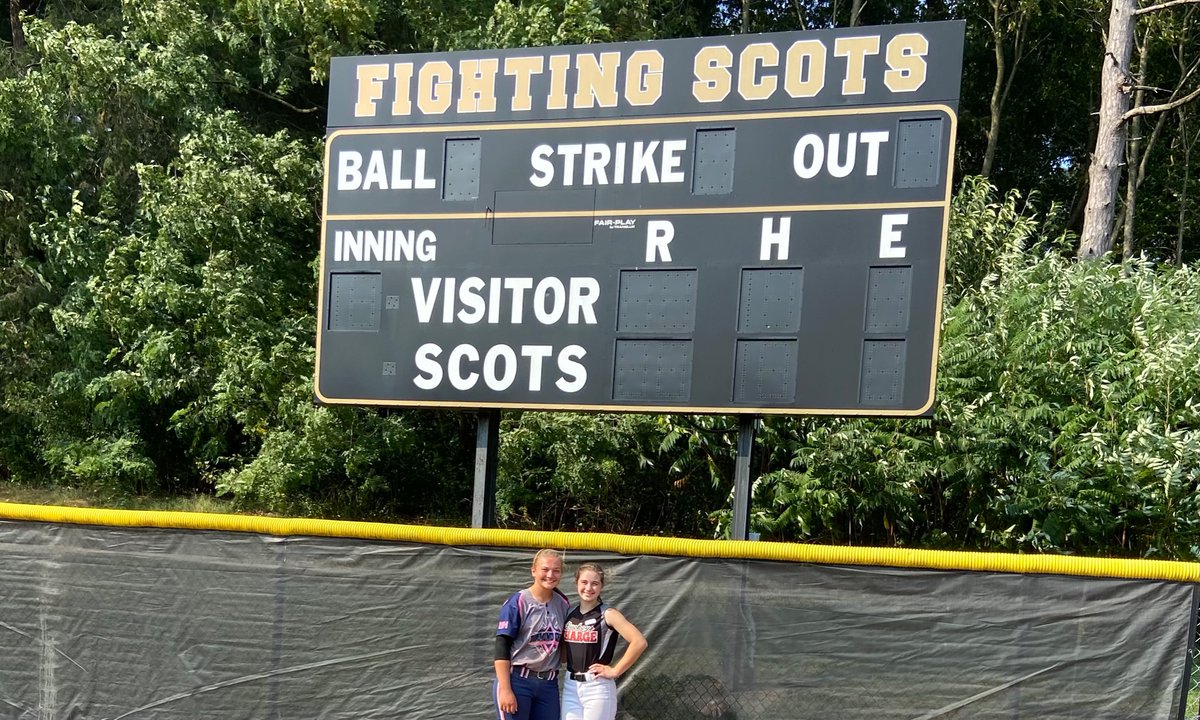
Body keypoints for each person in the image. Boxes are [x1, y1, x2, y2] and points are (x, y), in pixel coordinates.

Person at [560, 563, 648, 720]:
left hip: (597, 686)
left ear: (601, 586)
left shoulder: (608, 614)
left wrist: (615, 671)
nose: (589, 588)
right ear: (576, 583)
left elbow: (639, 642)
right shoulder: (569, 614)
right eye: (584, 582)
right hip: (571, 685)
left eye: (595, 583)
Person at [494, 548, 571, 720]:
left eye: (556, 570)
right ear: (533, 570)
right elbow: (501, 646)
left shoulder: (563, 603)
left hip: (548, 683)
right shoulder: (519, 601)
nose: (550, 575)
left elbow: (564, 648)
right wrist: (505, 689)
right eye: (545, 569)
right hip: (518, 680)